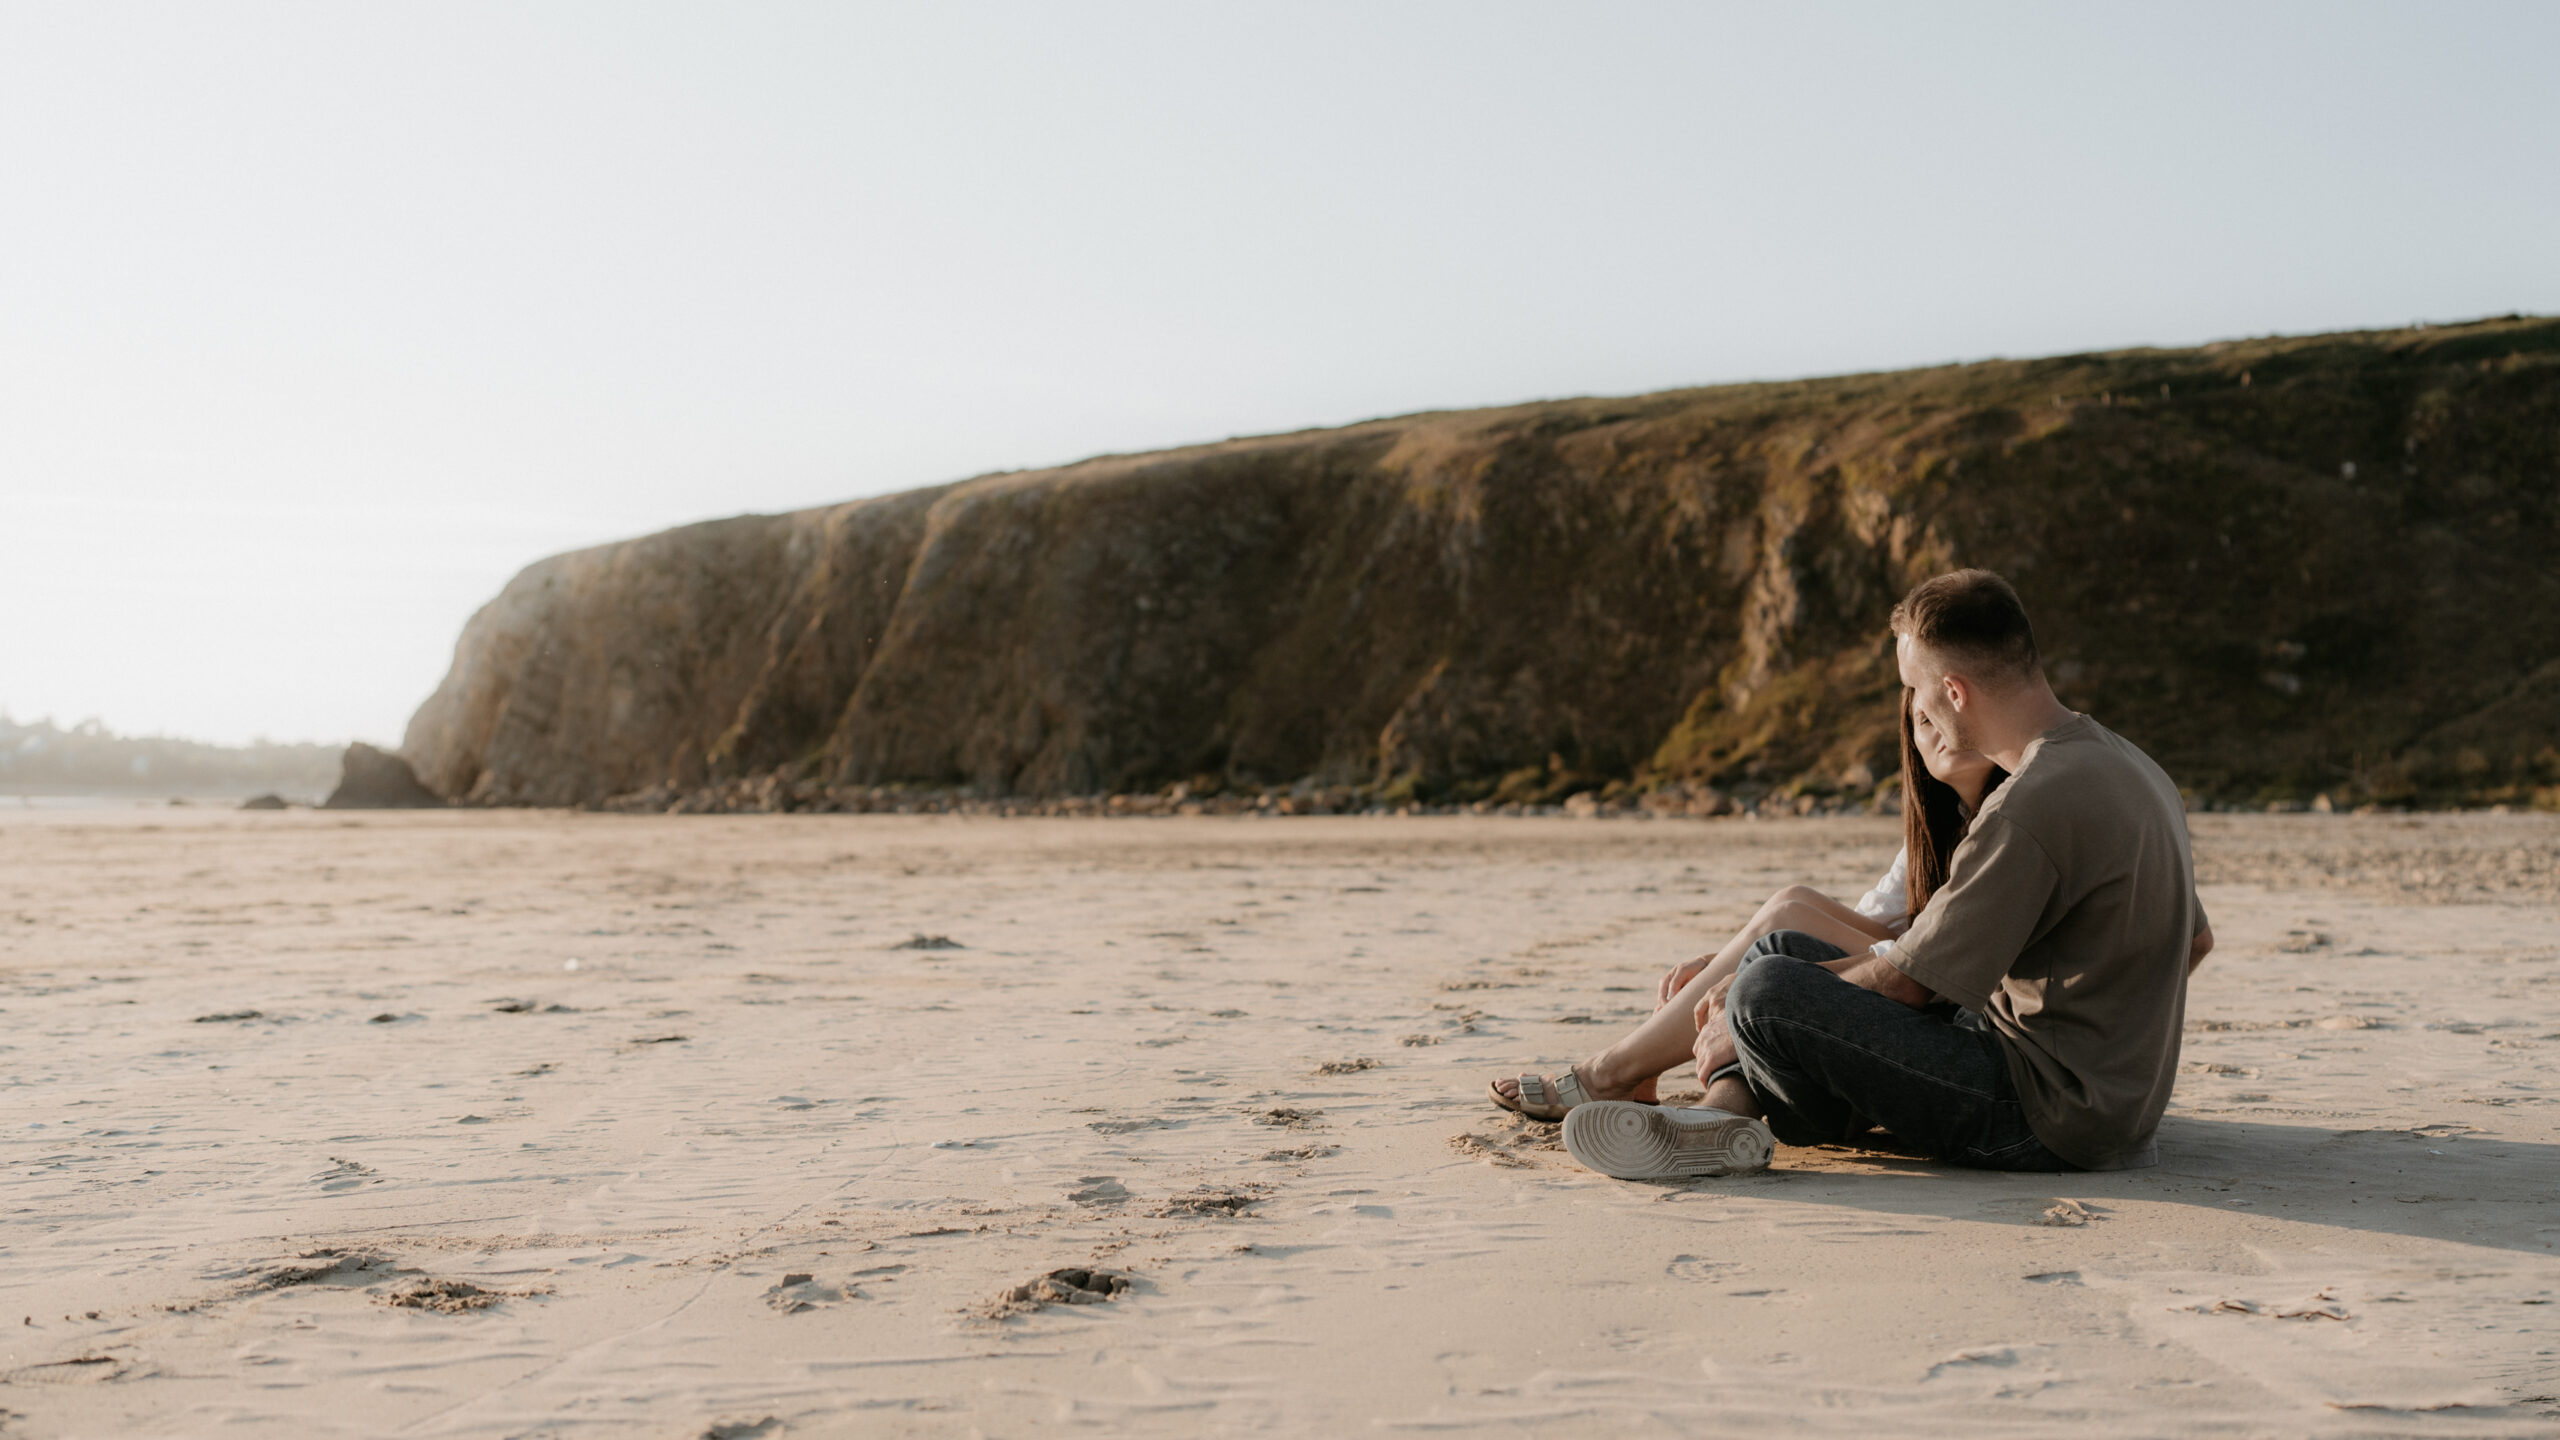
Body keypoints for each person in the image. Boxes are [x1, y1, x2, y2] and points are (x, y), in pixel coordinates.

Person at [1561, 569, 2214, 1181]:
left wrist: (1742, 1003)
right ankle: (1720, 1119)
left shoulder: (2030, 803)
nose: (1914, 709)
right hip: (2109, 1110)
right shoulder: (2132, 766)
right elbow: (2195, 941)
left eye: (1916, 690)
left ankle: (1719, 1110)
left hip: (2047, 1120)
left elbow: (1907, 983)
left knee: (1764, 990)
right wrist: (2112, 1036)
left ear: (1953, 691)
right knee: (1778, 955)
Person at [1488, 688, 2005, 1120]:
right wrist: (1727, 962)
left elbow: (1919, 959)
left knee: (1785, 926)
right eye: (1922, 719)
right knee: (1787, 921)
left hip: (1962, 1016)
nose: (1940, 728)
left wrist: (1750, 967)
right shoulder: (1942, 826)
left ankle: (1613, 1073)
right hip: (1924, 993)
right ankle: (1706, 1110)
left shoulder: (2012, 818)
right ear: (1911, 741)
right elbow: (1868, 923)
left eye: (1949, 710)